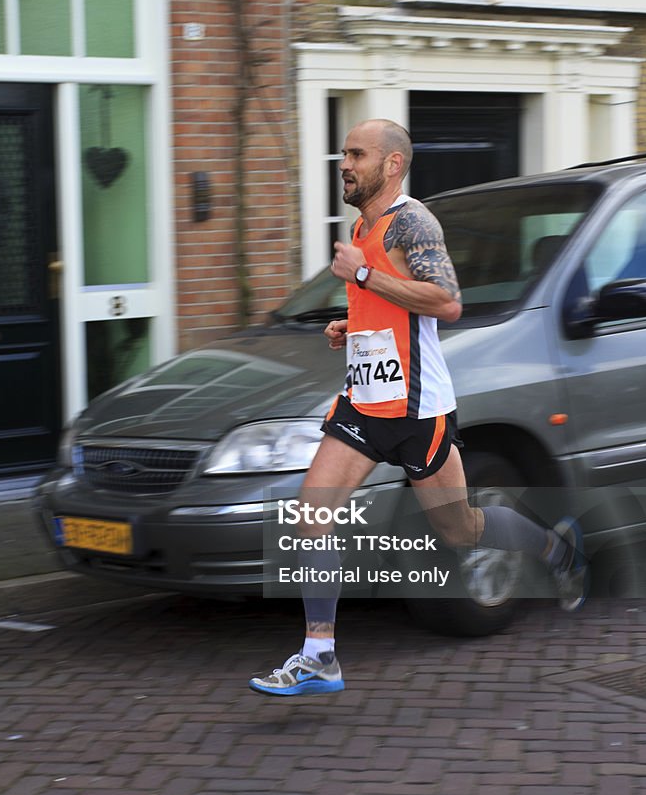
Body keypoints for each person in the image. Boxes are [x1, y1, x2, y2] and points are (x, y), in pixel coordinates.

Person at [249, 119, 589, 697]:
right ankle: (319, 653)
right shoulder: (364, 224)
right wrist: (349, 326)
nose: (344, 163)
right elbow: (390, 310)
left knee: (461, 530)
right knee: (312, 513)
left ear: (392, 165)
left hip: (416, 410)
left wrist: (359, 272)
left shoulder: (413, 221)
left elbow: (445, 302)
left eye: (356, 154)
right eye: (343, 153)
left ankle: (555, 546)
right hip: (363, 404)